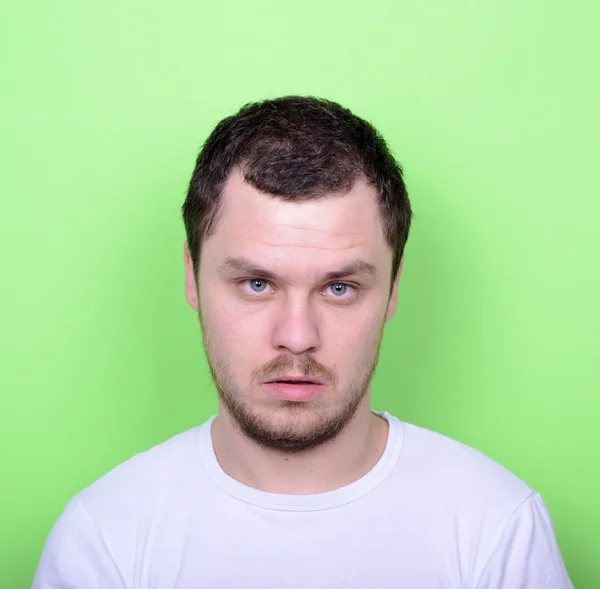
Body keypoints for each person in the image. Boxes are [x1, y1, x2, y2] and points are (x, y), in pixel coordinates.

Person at [32, 96, 574, 588]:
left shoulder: (497, 528)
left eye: (340, 288)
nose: (297, 337)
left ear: (392, 291)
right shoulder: (103, 539)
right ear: (192, 278)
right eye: (257, 284)